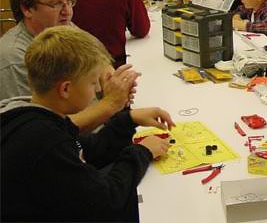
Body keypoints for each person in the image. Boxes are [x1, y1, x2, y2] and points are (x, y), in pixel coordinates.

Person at [0, 25, 174, 222]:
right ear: (65, 89)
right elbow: (105, 201)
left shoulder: (32, 113)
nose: (98, 88)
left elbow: (84, 148)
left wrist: (127, 120)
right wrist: (142, 152)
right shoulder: (45, 141)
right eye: (93, 83)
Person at [0, 0, 137, 133]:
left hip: (97, 134)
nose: (68, 11)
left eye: (70, 1)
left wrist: (109, 78)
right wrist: (110, 104)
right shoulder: (14, 58)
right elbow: (40, 131)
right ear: (27, 9)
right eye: (56, 4)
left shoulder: (61, 27)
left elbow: (99, 56)